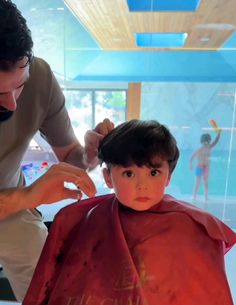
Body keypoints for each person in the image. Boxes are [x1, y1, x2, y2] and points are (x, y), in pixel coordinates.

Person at [23, 119, 236, 305]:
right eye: (128, 173)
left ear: (168, 176)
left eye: (153, 172)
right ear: (108, 178)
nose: (142, 185)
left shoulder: (193, 227)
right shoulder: (82, 220)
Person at [0, 0, 114, 301]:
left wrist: (90, 154)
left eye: (19, 86)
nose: (12, 104)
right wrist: (31, 195)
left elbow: (71, 157)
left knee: (56, 290)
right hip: (19, 198)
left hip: (13, 207)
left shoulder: (40, 78)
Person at [190, 128, 221, 202]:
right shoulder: (199, 149)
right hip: (199, 167)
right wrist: (191, 164)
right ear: (202, 142)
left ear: (209, 141)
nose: (207, 142)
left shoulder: (209, 147)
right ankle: (194, 196)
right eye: (205, 141)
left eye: (208, 141)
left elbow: (215, 142)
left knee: (205, 182)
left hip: (206, 167)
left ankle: (205, 196)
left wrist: (219, 134)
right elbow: (192, 157)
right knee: (197, 182)